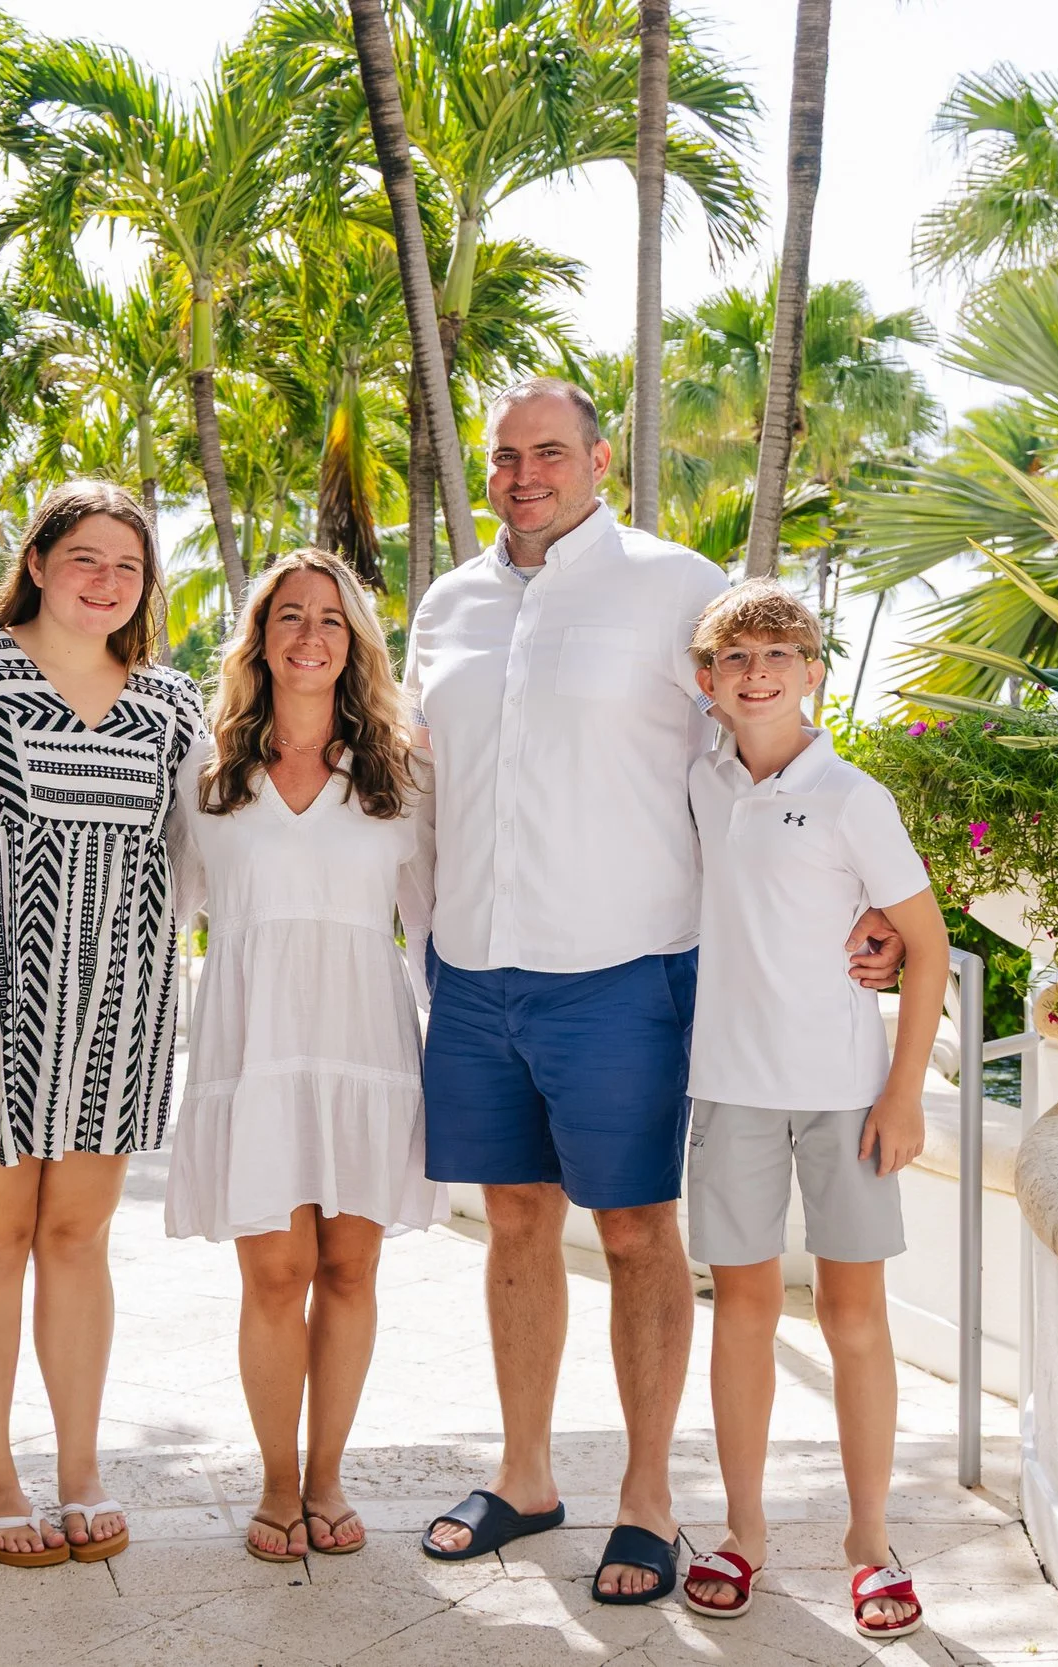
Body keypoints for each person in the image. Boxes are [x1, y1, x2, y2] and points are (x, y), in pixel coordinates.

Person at [404, 378, 904, 1605]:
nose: (527, 473)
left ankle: (647, 1500)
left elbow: (761, 751)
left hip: (624, 968)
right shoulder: (446, 602)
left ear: (599, 458)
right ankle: (524, 1476)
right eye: (506, 454)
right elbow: (423, 779)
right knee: (515, 1220)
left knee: (635, 1232)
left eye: (551, 451)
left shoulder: (676, 583)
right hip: (472, 969)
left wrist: (871, 905)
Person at [0, 479, 202, 1568]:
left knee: (78, 1238)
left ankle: (80, 1467)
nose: (106, 582)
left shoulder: (170, 703)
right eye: (85, 557)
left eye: (127, 565)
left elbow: (190, 853)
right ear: (36, 562)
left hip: (121, 1009)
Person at [674, 581, 947, 1641]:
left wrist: (902, 1090)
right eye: (735, 658)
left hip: (845, 1100)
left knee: (851, 1319)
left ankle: (870, 1542)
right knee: (740, 1314)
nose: (757, 673)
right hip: (729, 1090)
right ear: (708, 682)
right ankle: (742, 1532)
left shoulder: (850, 795)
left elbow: (920, 943)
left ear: (813, 671)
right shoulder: (698, 784)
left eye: (779, 653)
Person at [163, 549, 445, 1562]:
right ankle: (277, 1478)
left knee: (349, 1266)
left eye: (331, 618)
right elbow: (165, 920)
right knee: (274, 1274)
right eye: (289, 615)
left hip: (366, 1041)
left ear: (354, 640)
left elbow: (431, 922)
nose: (310, 635)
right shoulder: (205, 770)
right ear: (259, 635)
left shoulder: (401, 770)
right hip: (253, 1047)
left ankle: (328, 1472)